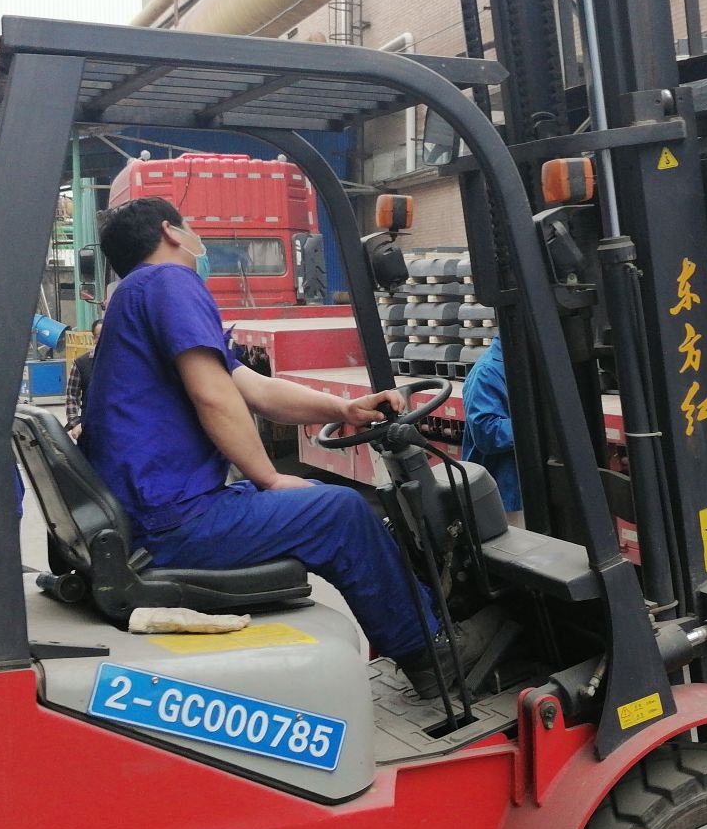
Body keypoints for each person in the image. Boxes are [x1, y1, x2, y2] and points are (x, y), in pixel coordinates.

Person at [82, 197, 447, 691]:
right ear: (170, 231)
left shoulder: (134, 297)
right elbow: (214, 397)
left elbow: (253, 389)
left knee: (322, 504)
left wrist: (343, 409)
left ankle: (418, 634)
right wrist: (269, 477)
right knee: (341, 513)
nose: (196, 240)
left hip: (157, 514)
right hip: (172, 521)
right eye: (190, 227)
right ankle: (432, 656)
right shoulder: (168, 281)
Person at [459, 336, 524, 529]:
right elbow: (487, 433)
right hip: (503, 495)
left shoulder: (518, 365)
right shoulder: (488, 371)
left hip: (520, 490)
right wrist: (534, 424)